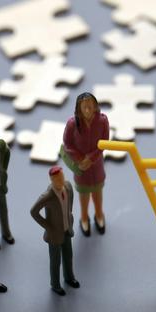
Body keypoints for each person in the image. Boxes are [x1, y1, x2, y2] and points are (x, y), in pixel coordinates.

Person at [60, 92, 108, 237]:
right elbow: (67, 144)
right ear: (79, 109)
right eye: (84, 107)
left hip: (97, 167)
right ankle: (84, 218)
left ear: (95, 107)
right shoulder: (72, 124)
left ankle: (99, 215)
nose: (87, 110)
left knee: (98, 195)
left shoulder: (102, 121)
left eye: (90, 107)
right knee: (84, 197)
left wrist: (91, 158)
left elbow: (104, 143)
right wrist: (80, 159)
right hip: (81, 168)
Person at [30, 166, 80, 295]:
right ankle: (55, 284)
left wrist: (69, 216)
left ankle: (69, 277)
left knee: (68, 256)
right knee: (55, 261)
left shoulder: (68, 187)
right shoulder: (48, 196)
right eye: (57, 179)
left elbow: (70, 203)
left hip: (67, 229)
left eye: (62, 177)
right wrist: (48, 226)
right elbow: (34, 211)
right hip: (54, 234)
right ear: (52, 180)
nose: (61, 180)